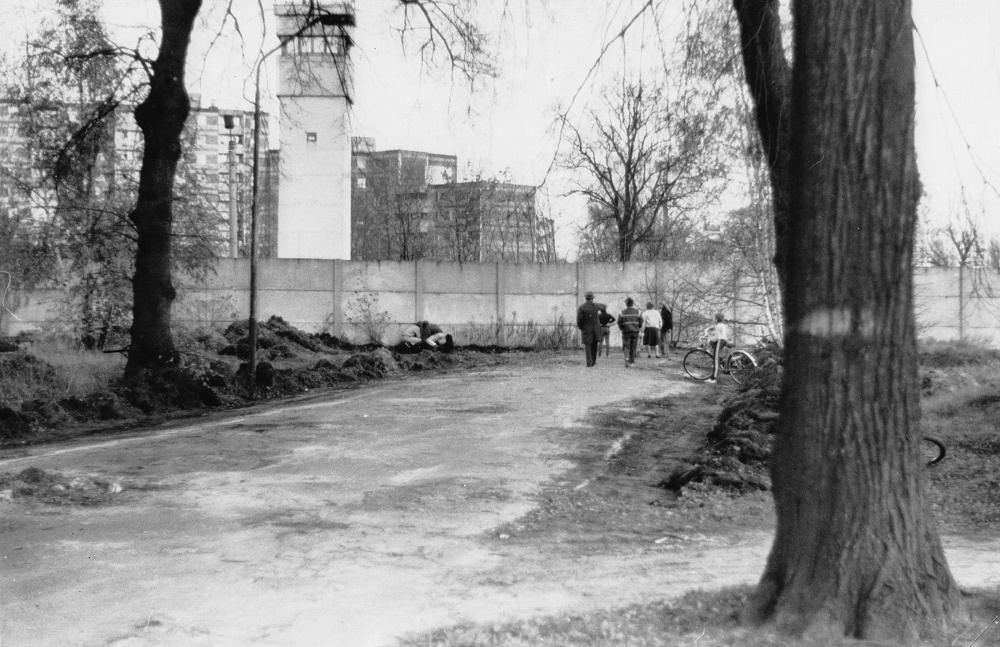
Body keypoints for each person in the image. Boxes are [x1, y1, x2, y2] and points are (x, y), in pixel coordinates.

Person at [576, 291, 604, 367]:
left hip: (586, 329)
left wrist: (581, 327)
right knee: (594, 345)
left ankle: (589, 363)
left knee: (588, 345)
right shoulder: (596, 306)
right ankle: (593, 362)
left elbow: (579, 320)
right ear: (592, 298)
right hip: (596, 329)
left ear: (585, 298)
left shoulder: (581, 307)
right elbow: (602, 307)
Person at [705, 312, 730, 384]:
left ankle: (713, 379)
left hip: (720, 341)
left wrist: (710, 339)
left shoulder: (717, 326)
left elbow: (717, 337)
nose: (713, 319)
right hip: (724, 340)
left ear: (716, 319)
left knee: (715, 360)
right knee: (716, 357)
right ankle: (720, 362)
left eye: (714, 318)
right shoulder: (723, 325)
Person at [617, 297, 642, 368]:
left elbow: (619, 322)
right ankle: (632, 362)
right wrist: (638, 327)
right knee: (633, 347)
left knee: (626, 346)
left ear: (626, 304)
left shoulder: (622, 312)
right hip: (635, 332)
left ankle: (626, 358)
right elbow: (641, 322)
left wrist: (622, 328)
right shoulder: (638, 312)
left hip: (626, 332)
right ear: (632, 303)